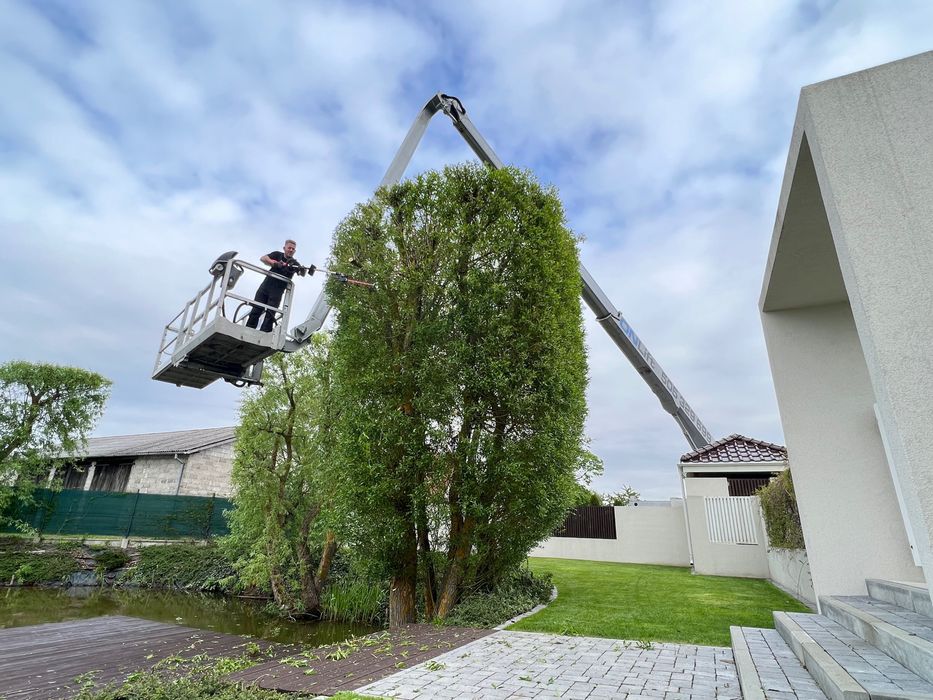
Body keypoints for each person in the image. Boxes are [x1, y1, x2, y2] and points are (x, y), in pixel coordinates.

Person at [246, 239, 299, 332]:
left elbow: (302, 272)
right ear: (284, 248)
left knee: (270, 315)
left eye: (293, 249)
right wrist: (275, 264)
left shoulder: (295, 264)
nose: (291, 250)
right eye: (289, 248)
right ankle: (248, 331)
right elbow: (263, 258)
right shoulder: (277, 255)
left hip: (277, 292)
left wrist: (301, 269)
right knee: (256, 310)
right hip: (265, 288)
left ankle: (264, 334)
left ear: (294, 251)